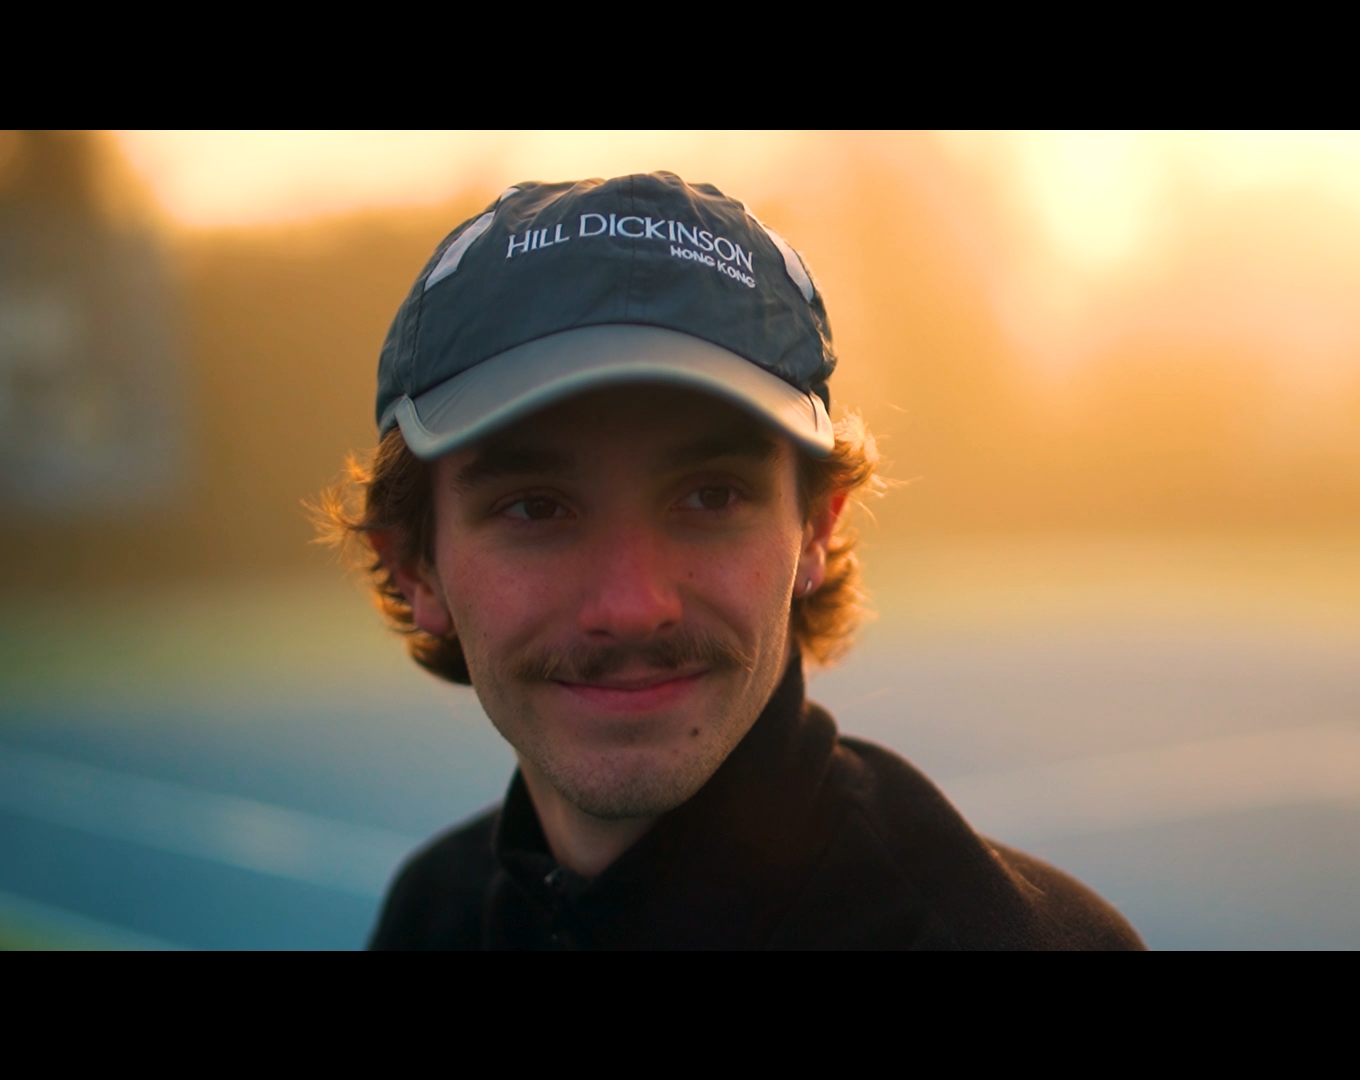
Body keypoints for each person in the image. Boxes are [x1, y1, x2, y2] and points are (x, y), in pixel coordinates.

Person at [317, 172, 1144, 950]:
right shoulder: (433, 917)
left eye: (709, 498)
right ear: (417, 567)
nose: (633, 603)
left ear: (816, 528)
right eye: (536, 508)